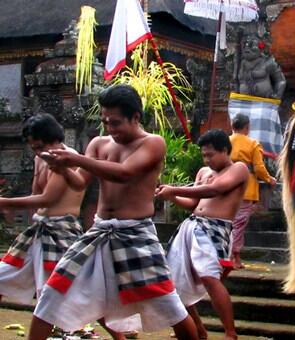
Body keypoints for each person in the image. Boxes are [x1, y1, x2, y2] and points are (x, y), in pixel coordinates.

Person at [27, 85, 197, 340]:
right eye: (105, 121)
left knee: (169, 305)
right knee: (53, 292)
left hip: (135, 233)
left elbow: (125, 173)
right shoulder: (99, 143)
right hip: (99, 230)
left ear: (135, 117)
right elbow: (79, 183)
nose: (110, 128)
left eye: (116, 123)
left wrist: (75, 160)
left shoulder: (152, 143)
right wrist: (61, 167)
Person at [156, 129, 249, 340]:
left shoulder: (239, 169)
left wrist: (175, 189)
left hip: (215, 230)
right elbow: (192, 205)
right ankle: (198, 328)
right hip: (191, 228)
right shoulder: (203, 172)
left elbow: (215, 190)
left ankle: (230, 333)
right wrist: (170, 196)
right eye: (204, 155)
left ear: (224, 150)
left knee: (209, 277)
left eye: (210, 155)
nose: (206, 160)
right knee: (175, 282)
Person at [0, 114, 84, 305]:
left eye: (40, 146)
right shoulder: (40, 159)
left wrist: (5, 202)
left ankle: (118, 333)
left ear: (54, 139)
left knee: (67, 290)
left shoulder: (67, 158)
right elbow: (36, 197)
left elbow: (49, 198)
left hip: (62, 233)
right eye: (34, 148)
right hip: (39, 230)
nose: (38, 152)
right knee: (3, 275)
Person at [229, 113, 277, 269]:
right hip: (245, 188)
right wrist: (269, 179)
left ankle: (233, 256)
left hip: (226, 187)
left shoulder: (226, 142)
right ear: (247, 127)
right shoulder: (252, 144)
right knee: (239, 225)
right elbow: (258, 167)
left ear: (232, 126)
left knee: (231, 223)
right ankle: (232, 256)